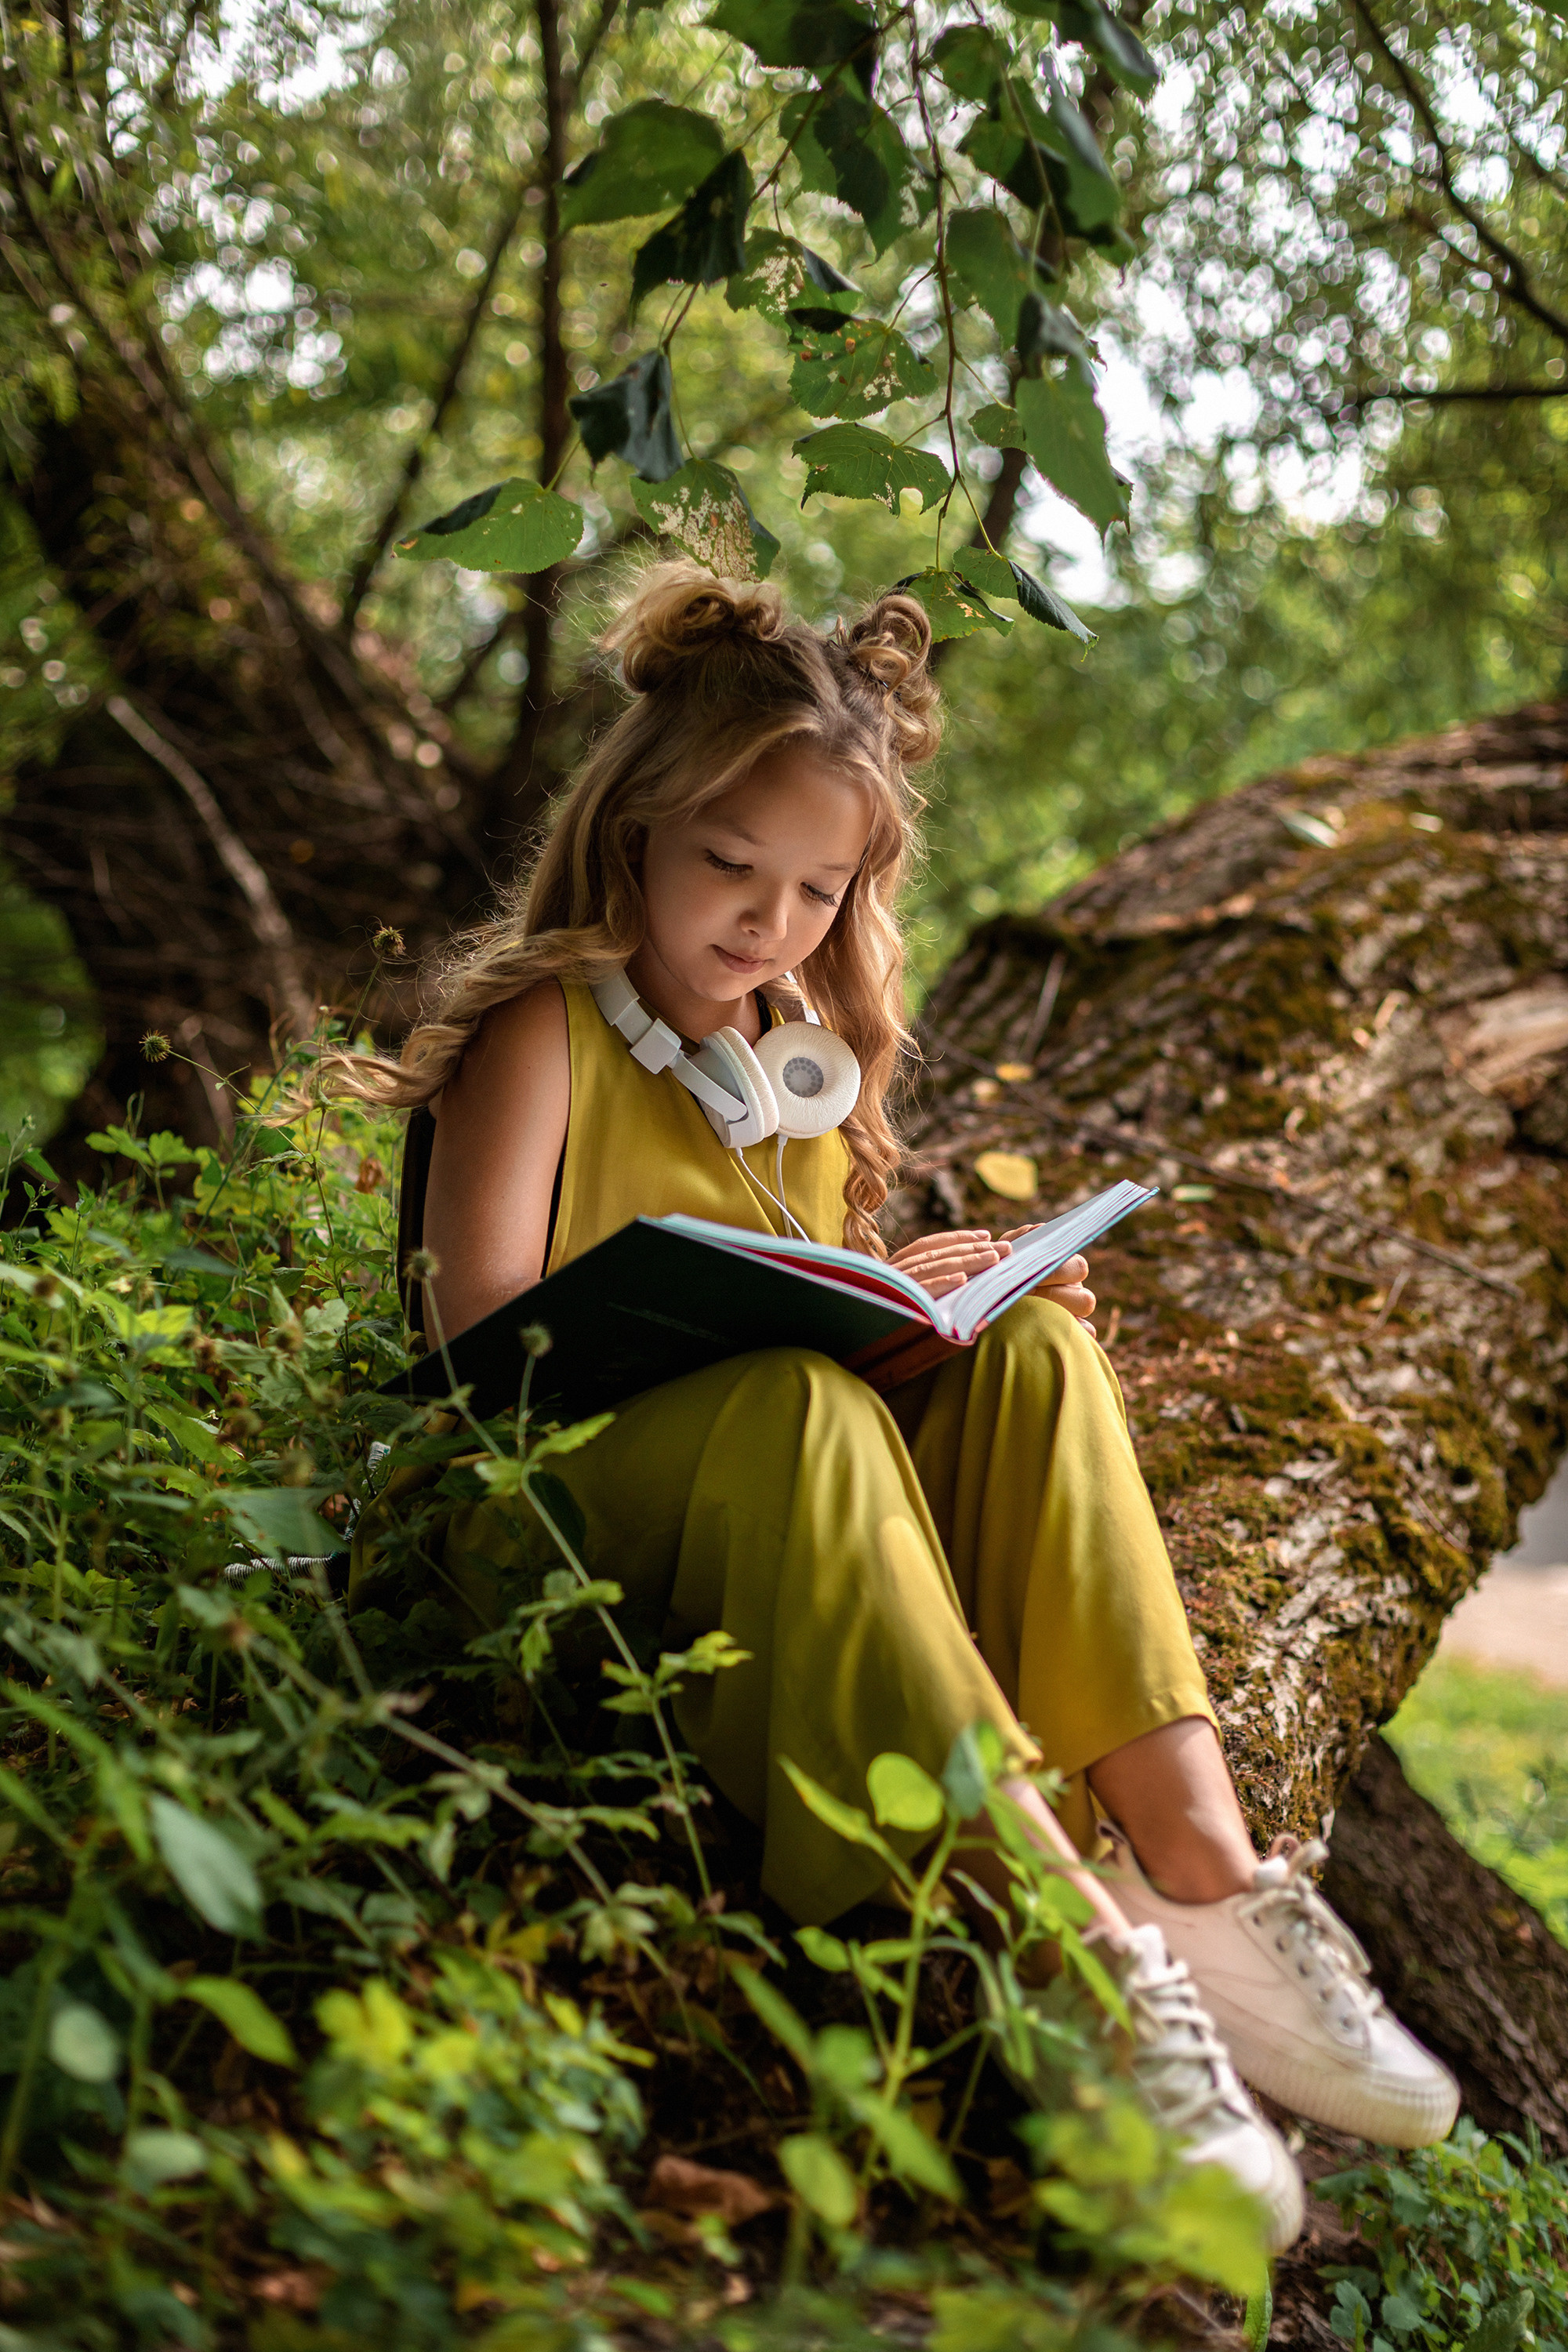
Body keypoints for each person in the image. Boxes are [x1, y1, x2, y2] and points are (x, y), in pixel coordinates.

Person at [335, 563, 1457, 2250]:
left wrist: (928, 1305)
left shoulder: (800, 1065)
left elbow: (827, 1320)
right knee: (793, 1400)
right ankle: (1078, 1964)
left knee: (1032, 1349)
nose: (764, 922)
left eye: (811, 890)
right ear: (635, 826)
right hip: (550, 1528)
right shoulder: (543, 1032)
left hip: (767, 1495)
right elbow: (475, 1350)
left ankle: (1206, 1875)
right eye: (728, 865)